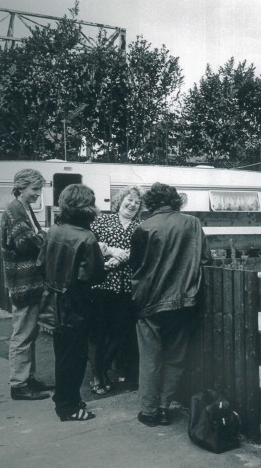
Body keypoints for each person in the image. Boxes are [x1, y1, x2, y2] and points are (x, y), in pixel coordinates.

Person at [130, 182, 210, 427]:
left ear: (150, 203)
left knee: (150, 358)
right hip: (184, 301)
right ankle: (165, 408)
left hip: (149, 302)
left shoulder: (143, 227)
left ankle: (149, 411)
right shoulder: (193, 224)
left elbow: (136, 266)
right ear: (175, 200)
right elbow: (205, 259)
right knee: (175, 357)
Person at [37, 184, 105, 421]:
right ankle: (68, 408)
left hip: (54, 301)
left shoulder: (54, 230)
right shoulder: (86, 237)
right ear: (87, 207)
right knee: (75, 358)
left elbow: (40, 265)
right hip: (76, 304)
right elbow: (94, 275)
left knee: (63, 354)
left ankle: (67, 399)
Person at [0, 168, 53, 400]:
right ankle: (19, 384)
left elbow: (36, 235)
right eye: (34, 189)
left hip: (29, 280)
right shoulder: (14, 210)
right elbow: (26, 243)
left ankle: (28, 377)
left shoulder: (23, 208)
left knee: (29, 332)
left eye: (39, 189)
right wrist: (46, 236)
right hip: (22, 281)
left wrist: (41, 235)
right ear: (21, 187)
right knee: (22, 333)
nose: (37, 194)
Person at [89, 185, 143, 395]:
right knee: (97, 333)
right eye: (129, 200)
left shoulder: (141, 226)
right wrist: (114, 251)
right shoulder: (102, 220)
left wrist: (123, 257)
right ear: (119, 202)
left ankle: (103, 370)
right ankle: (96, 376)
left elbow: (141, 252)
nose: (132, 205)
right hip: (101, 285)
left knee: (119, 334)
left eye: (137, 203)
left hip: (126, 288)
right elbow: (91, 244)